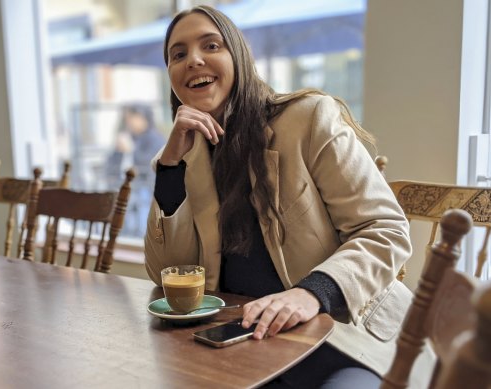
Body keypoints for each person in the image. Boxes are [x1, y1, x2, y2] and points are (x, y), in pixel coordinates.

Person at [144, 5, 433, 389]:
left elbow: (386, 229)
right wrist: (169, 170)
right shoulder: (184, 156)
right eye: (177, 54)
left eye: (210, 45)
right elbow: (166, 274)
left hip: (344, 341)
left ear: (239, 57)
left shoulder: (309, 117)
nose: (193, 60)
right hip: (247, 345)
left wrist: (312, 292)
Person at [107, 104, 165, 236]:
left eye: (132, 118)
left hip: (145, 187)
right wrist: (118, 151)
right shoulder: (127, 137)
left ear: (143, 118)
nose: (129, 122)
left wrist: (131, 149)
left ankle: (139, 233)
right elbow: (111, 165)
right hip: (123, 185)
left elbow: (151, 164)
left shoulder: (155, 138)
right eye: (127, 118)